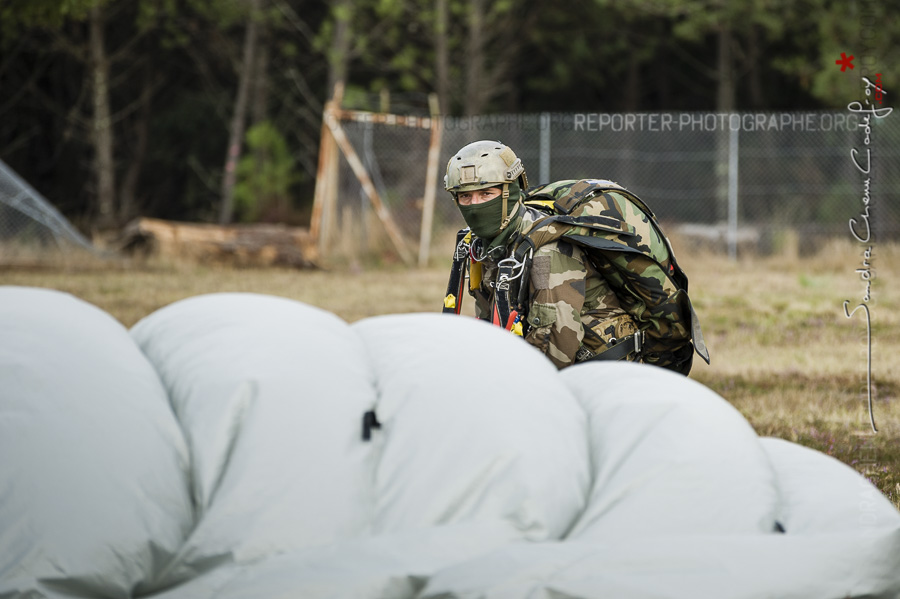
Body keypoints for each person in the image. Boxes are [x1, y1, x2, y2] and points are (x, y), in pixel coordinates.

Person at [443, 140, 643, 370]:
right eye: (465, 196)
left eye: (486, 193)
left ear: (511, 192)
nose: (474, 205)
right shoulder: (487, 246)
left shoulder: (546, 252)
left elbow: (556, 349)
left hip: (604, 371)